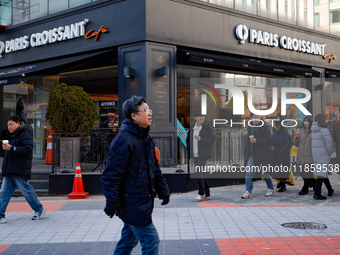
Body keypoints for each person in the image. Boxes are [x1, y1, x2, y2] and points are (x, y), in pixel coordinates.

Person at [101, 96, 170, 255]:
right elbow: (110, 176)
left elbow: (154, 168)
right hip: (132, 203)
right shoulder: (123, 140)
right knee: (151, 240)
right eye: (145, 111)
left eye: (149, 110)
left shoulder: (146, 139)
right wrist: (112, 201)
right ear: (134, 116)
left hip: (142, 201)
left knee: (128, 241)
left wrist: (163, 190)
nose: (150, 114)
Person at [0, 116, 46, 224]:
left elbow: (28, 150)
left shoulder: (25, 134)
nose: (9, 127)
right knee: (3, 192)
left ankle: (39, 210)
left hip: (20, 169)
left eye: (11, 124)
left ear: (18, 124)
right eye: (8, 125)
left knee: (26, 191)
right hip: (10, 169)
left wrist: (12, 148)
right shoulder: (12, 135)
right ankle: (1, 215)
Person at [242, 113, 274, 199]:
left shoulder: (264, 126)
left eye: (258, 117)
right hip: (251, 154)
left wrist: (257, 140)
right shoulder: (249, 127)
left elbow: (269, 139)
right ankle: (248, 191)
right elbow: (247, 142)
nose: (257, 119)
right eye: (255, 117)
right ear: (251, 117)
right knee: (249, 172)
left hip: (261, 154)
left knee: (263, 172)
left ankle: (270, 188)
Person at [187, 110, 216, 201]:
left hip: (203, 154)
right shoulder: (192, 127)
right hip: (195, 154)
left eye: (203, 116)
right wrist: (189, 147)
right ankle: (207, 193)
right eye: (199, 116)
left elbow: (212, 139)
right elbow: (188, 139)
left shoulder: (207, 127)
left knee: (197, 172)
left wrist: (201, 139)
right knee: (201, 173)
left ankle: (201, 193)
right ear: (195, 118)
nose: (202, 118)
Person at [311, 114, 334, 200]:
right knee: (321, 174)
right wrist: (330, 152)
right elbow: (329, 144)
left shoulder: (314, 131)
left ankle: (330, 189)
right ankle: (317, 193)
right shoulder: (324, 130)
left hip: (316, 155)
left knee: (322, 172)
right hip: (324, 154)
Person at [293, 116, 315, 195]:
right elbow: (296, 144)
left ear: (310, 122)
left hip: (309, 156)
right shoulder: (301, 132)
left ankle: (305, 189)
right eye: (305, 121)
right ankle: (314, 183)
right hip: (301, 156)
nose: (306, 123)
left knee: (307, 173)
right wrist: (296, 139)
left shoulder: (313, 132)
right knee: (302, 173)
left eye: (307, 121)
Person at [272, 120, 292, 192]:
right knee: (277, 171)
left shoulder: (286, 134)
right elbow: (272, 142)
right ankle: (280, 183)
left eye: (275, 125)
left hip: (283, 155)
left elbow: (288, 144)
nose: (274, 127)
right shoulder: (275, 133)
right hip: (276, 154)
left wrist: (282, 151)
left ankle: (283, 185)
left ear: (279, 126)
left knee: (282, 171)